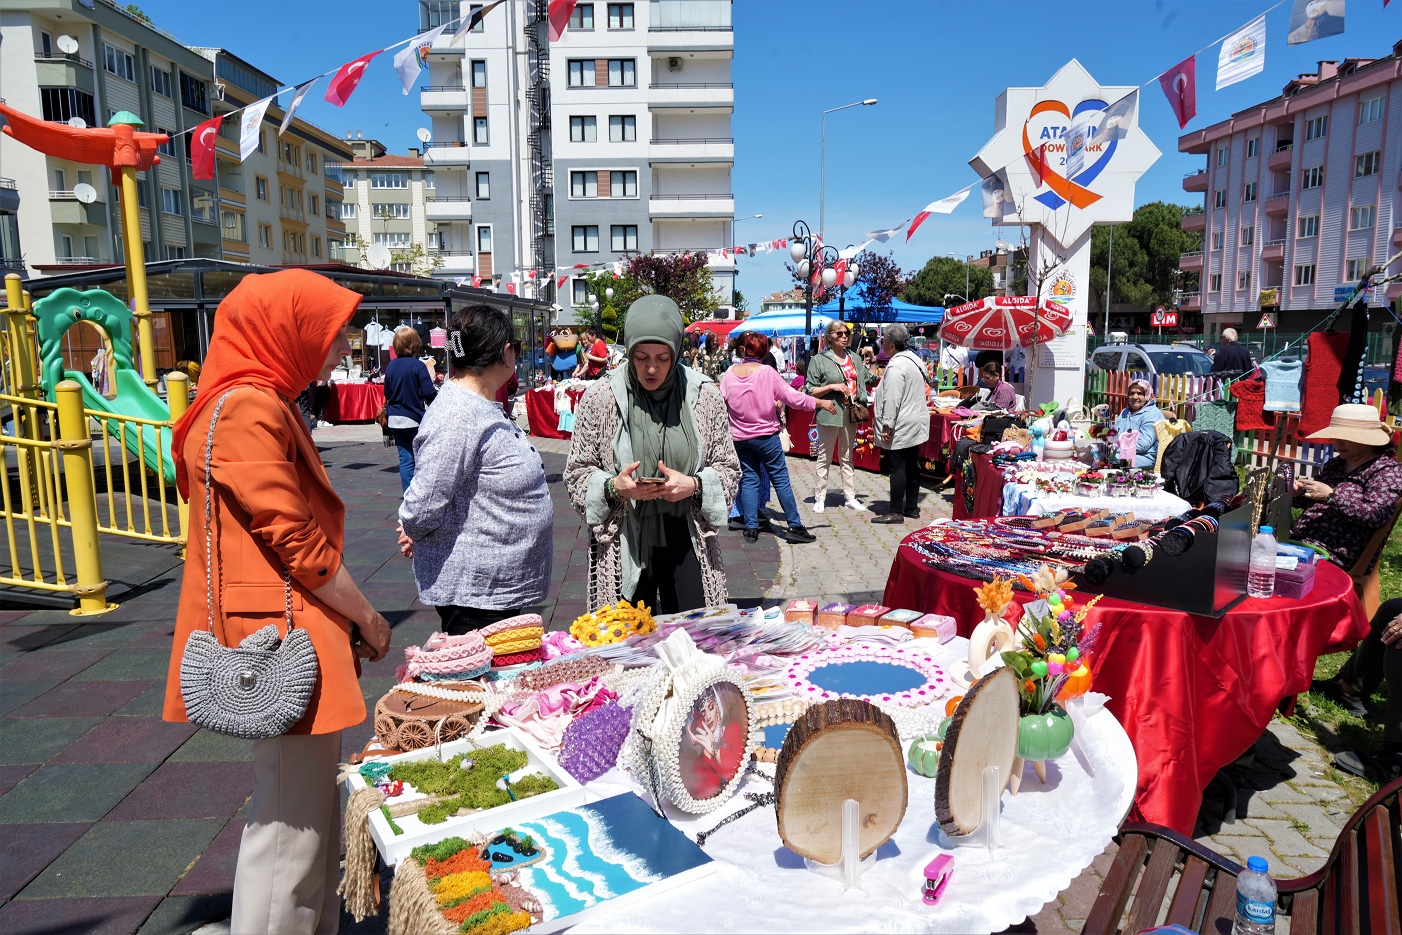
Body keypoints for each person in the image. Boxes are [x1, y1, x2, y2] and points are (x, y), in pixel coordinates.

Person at [163, 269, 393, 935]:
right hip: (281, 640)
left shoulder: (246, 401)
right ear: (284, 331)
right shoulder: (249, 407)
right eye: (331, 330)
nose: (345, 344)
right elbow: (298, 542)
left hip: (275, 634)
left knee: (303, 817)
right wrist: (367, 615)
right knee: (292, 826)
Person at [565, 295, 739, 613]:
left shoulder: (704, 395)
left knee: (694, 642)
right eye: (641, 357)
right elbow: (577, 470)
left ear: (676, 351)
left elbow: (729, 468)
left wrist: (695, 485)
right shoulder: (600, 398)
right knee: (626, 649)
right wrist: (611, 486)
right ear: (629, 352)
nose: (651, 368)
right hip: (623, 539)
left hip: (688, 537)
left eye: (663, 357)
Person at [397, 306, 552, 634]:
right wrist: (415, 531)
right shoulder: (458, 414)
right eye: (517, 348)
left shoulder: (473, 406)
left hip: (491, 588)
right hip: (477, 595)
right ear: (506, 353)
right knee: (484, 680)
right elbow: (423, 505)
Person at [721, 332, 836, 543]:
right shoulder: (767, 372)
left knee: (749, 479)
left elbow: (721, 403)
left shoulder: (729, 373)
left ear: (744, 350)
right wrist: (820, 403)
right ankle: (794, 526)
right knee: (780, 479)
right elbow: (793, 398)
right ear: (765, 352)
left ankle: (751, 528)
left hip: (739, 437)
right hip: (765, 436)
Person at [1289, 403, 1402, 571]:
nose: (1338, 443)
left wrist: (1332, 497)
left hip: (1337, 554)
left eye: (1346, 438)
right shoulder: (1336, 464)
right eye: (1335, 436)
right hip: (1302, 541)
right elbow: (1314, 501)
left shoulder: (1386, 471)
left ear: (1367, 440)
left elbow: (1376, 515)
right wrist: (1298, 493)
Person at [805, 320, 876, 514]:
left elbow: (871, 379)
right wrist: (831, 387)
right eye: (839, 334)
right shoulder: (819, 360)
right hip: (830, 411)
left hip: (851, 411)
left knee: (847, 456)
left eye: (847, 333)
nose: (844, 336)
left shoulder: (854, 358)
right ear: (830, 337)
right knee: (825, 456)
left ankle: (850, 497)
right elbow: (809, 389)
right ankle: (820, 498)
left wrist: (873, 360)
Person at [872, 324, 931, 524]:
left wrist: (887, 425)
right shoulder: (914, 359)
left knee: (897, 466)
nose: (882, 344)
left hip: (902, 421)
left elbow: (892, 398)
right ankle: (911, 507)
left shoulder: (897, 365)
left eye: (884, 340)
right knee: (911, 465)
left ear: (890, 343)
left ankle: (896, 511)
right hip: (915, 419)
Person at [382, 327, 438, 492]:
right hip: (414, 417)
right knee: (421, 457)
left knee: (405, 459)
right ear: (415, 344)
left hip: (395, 419)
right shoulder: (418, 366)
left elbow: (387, 393)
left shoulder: (391, 366)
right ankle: (422, 493)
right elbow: (429, 393)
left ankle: (409, 495)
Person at [1114, 378, 1167, 469]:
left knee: (1113, 460)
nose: (1135, 397)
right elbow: (1115, 434)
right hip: (1121, 453)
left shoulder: (1152, 414)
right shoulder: (1125, 412)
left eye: (1139, 394)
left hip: (1144, 457)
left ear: (1147, 395)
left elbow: (1143, 445)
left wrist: (1116, 447)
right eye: (1132, 393)